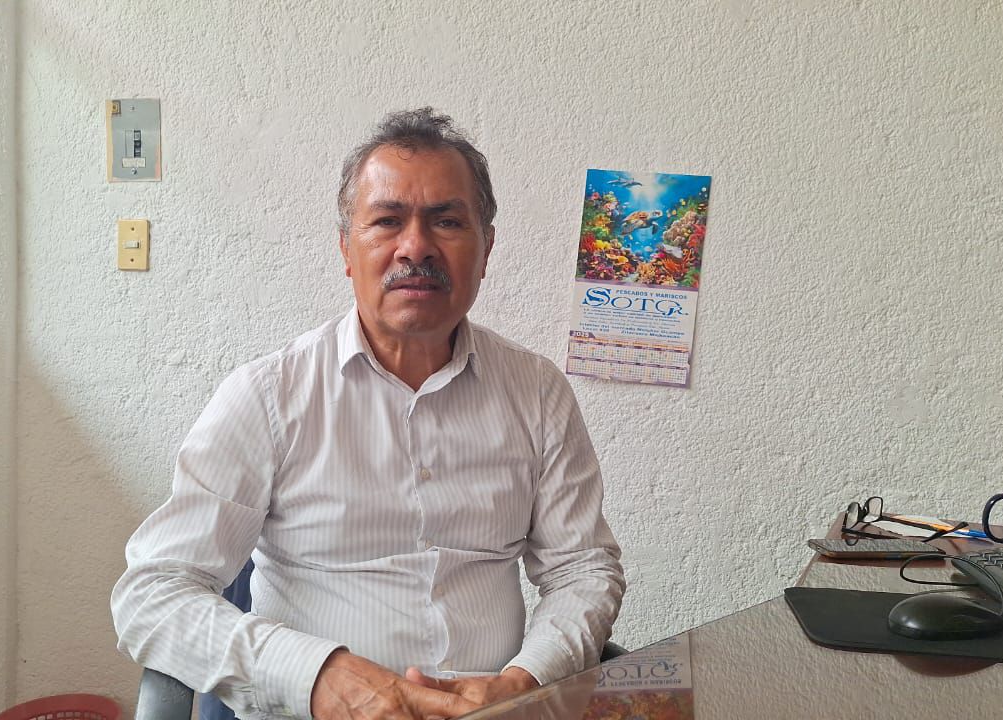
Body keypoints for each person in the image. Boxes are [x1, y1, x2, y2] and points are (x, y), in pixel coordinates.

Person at [111, 107, 625, 720]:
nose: (416, 246)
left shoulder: (537, 393)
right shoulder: (268, 396)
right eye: (387, 221)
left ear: (486, 249)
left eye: (447, 221)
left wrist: (524, 679)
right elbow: (151, 595)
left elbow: (582, 568)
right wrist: (317, 676)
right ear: (346, 250)